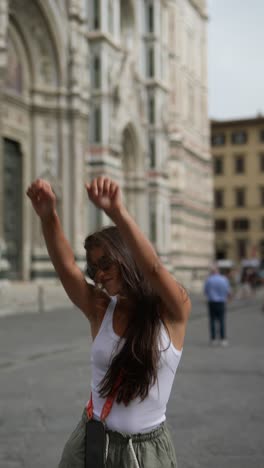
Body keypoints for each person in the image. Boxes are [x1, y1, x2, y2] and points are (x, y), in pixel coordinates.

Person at [26, 176, 191, 468]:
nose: (99, 275)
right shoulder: (101, 309)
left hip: (145, 452)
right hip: (93, 441)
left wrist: (117, 212)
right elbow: (66, 267)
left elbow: (153, 268)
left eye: (106, 264)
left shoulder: (173, 311)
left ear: (127, 258)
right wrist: (48, 215)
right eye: (93, 268)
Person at [204, 265, 231, 347]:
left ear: (212, 272)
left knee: (212, 321)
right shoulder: (224, 279)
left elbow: (205, 291)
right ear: (218, 271)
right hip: (221, 302)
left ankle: (213, 339)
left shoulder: (209, 280)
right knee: (222, 320)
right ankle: (223, 339)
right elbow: (228, 291)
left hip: (212, 302)